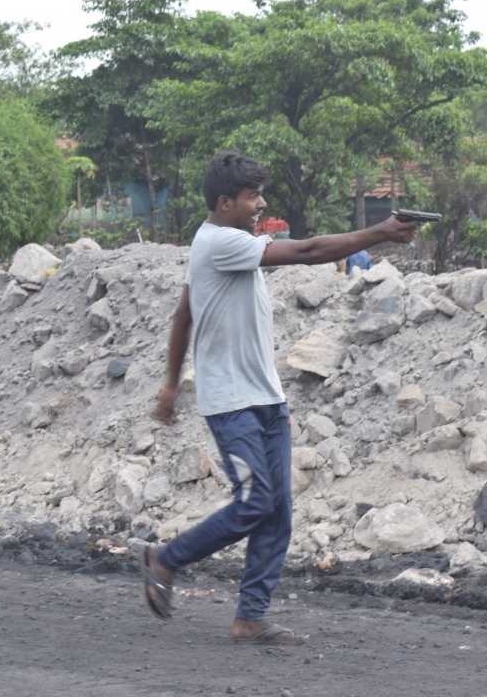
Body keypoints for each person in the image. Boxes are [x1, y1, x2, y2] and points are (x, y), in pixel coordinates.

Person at [144, 151, 418, 644]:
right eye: (253, 197)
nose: (261, 204)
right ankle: (166, 558)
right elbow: (309, 251)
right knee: (255, 502)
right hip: (231, 403)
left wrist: (170, 384)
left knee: (278, 510)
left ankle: (250, 618)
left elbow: (184, 315)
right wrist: (381, 232)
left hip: (267, 397)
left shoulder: (221, 244)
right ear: (225, 203)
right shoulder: (220, 243)